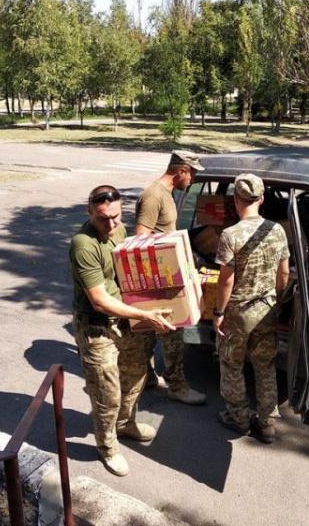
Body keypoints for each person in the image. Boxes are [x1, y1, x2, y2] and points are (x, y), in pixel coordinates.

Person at [70, 185, 176, 476]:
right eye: (104, 218)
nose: (112, 224)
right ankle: (107, 446)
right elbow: (99, 300)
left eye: (116, 216)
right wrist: (144, 314)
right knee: (106, 393)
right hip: (96, 328)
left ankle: (126, 424)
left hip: (124, 320)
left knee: (136, 374)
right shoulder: (83, 244)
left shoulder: (118, 229)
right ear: (89, 211)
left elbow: (128, 266)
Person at [213, 174, 289, 444]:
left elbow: (226, 280)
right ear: (262, 199)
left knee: (231, 364)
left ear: (235, 200)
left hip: (238, 315)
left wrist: (218, 313)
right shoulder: (277, 230)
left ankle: (239, 418)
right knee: (265, 364)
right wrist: (276, 300)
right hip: (266, 310)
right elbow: (284, 274)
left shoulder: (229, 235)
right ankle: (267, 423)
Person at [134, 151, 206, 406]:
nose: (194, 179)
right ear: (180, 171)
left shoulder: (167, 194)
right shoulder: (154, 196)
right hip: (159, 279)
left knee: (149, 333)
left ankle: (146, 377)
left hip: (165, 274)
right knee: (173, 332)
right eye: (193, 173)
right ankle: (177, 386)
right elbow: (140, 240)